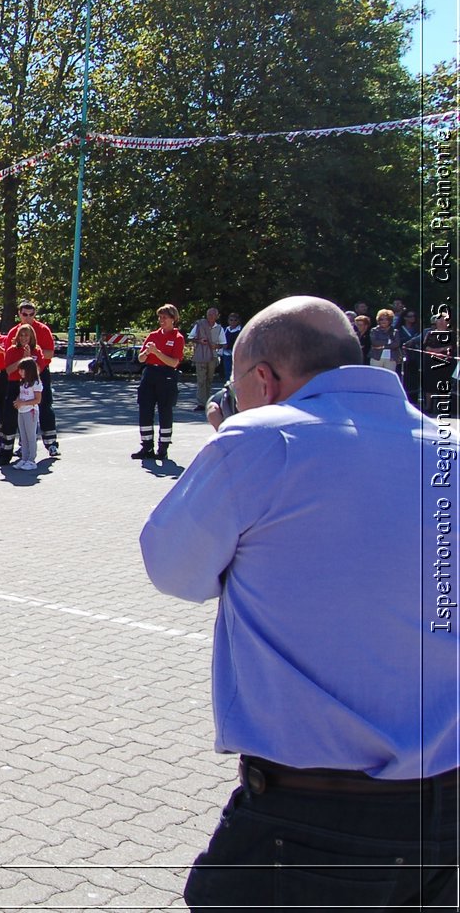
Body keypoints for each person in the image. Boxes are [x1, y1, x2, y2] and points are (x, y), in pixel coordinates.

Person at [140, 295, 458, 911]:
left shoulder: (258, 439)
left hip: (314, 816)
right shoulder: (446, 446)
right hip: (443, 811)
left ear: (264, 379)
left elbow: (174, 571)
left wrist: (228, 440)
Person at [133, 305, 185, 460]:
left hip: (166, 375)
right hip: (150, 373)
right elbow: (141, 359)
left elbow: (174, 362)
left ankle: (163, 448)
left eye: (165, 317)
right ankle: (146, 446)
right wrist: (146, 352)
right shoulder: (153, 335)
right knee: (145, 409)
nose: (161, 320)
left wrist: (157, 353)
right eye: (160, 317)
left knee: (165, 410)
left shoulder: (178, 338)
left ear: (173, 319)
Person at [14, 302, 60, 457]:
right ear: (19, 314)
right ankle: (24, 445)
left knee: (45, 406)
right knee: (23, 409)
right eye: (24, 314)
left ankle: (51, 443)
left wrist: (33, 350)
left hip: (40, 374)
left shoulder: (43, 330)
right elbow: (9, 353)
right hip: (21, 376)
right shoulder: (15, 331)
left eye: (31, 314)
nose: (28, 317)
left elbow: (50, 353)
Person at [0, 323, 41, 465]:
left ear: (31, 337)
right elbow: (9, 370)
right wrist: (22, 359)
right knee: (9, 421)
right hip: (14, 386)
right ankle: (5, 454)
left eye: (26, 335)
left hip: (30, 387)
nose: (24, 338)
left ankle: (29, 457)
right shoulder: (11, 350)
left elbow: (38, 371)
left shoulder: (37, 351)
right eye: (21, 335)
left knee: (28, 426)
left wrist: (29, 359)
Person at [189, 307, 226, 409]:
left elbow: (223, 344)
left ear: (217, 316)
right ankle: (201, 403)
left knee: (209, 379)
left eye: (213, 315)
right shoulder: (200, 325)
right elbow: (191, 337)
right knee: (201, 379)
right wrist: (199, 341)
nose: (211, 316)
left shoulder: (219, 328)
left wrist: (216, 346)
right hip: (201, 355)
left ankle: (207, 401)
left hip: (212, 356)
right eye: (209, 314)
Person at [11, 358, 43, 470]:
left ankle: (31, 460)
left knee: (31, 436)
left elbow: (37, 400)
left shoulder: (36, 383)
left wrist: (23, 403)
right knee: (22, 437)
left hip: (31, 411)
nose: (19, 372)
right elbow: (21, 395)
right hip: (21, 411)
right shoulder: (23, 382)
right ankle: (24, 458)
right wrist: (18, 401)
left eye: (22, 370)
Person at [219, 311, 242, 383]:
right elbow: (221, 340)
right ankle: (228, 386)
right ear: (228, 321)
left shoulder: (240, 330)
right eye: (231, 320)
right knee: (227, 370)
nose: (233, 322)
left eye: (235, 320)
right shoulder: (225, 329)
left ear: (238, 321)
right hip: (227, 353)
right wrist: (223, 345)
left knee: (237, 371)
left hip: (237, 353)